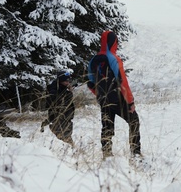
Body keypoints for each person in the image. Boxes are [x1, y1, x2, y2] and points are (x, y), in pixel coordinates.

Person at [87, 30, 141, 158]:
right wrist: (130, 102)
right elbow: (123, 82)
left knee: (107, 126)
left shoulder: (94, 59)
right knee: (134, 121)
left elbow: (90, 82)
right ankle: (136, 154)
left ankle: (107, 154)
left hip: (103, 99)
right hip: (118, 98)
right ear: (113, 42)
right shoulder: (114, 59)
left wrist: (99, 94)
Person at [42, 69, 75, 144]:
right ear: (61, 81)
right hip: (59, 119)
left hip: (65, 118)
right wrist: (69, 92)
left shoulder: (62, 88)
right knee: (63, 140)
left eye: (69, 81)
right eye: (66, 81)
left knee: (66, 139)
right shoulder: (53, 89)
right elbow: (56, 101)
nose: (68, 83)